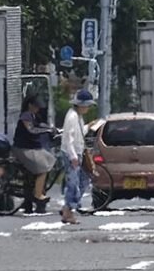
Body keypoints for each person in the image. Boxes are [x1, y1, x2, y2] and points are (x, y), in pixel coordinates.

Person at [12, 95, 56, 214]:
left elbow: (40, 125)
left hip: (31, 147)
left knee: (49, 160)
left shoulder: (33, 115)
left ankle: (37, 190)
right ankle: (38, 194)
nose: (38, 109)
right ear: (30, 105)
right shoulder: (26, 115)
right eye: (36, 106)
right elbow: (31, 130)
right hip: (23, 148)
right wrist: (46, 130)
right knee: (42, 168)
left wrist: (51, 129)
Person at [60, 89, 95, 224]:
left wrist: (89, 126)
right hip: (72, 154)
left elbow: (80, 133)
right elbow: (69, 139)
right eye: (87, 105)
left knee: (82, 180)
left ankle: (68, 208)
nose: (88, 108)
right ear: (81, 105)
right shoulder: (72, 117)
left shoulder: (77, 116)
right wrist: (73, 156)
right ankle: (69, 212)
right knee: (73, 183)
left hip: (77, 152)